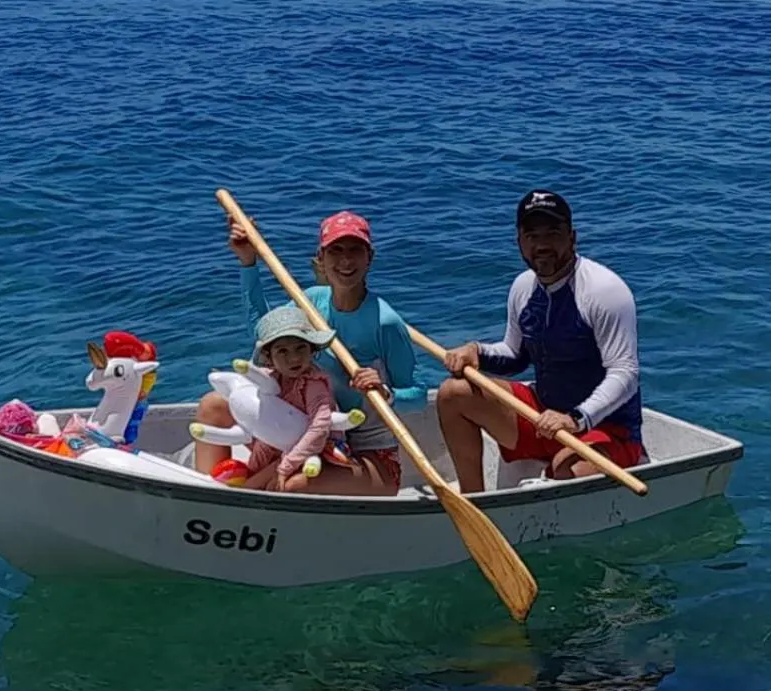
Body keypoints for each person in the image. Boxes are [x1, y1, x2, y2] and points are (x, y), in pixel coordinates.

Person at [191, 208, 425, 496]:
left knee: (295, 484)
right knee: (212, 405)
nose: (346, 260)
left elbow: (418, 395)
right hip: (300, 429)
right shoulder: (313, 300)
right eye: (336, 251)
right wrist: (248, 263)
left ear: (370, 258)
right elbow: (266, 332)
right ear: (322, 258)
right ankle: (206, 496)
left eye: (355, 250)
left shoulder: (385, 323)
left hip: (367, 453)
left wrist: (386, 393)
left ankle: (245, 500)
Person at [435, 189, 644, 493]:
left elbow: (626, 374)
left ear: (572, 238)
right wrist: (476, 351)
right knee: (452, 393)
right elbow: (515, 355)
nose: (542, 244)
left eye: (553, 233)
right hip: (544, 415)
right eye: (531, 235)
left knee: (564, 470)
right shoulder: (522, 288)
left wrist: (576, 420)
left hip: (607, 428)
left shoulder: (604, 291)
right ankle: (474, 501)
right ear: (519, 241)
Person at [239, 304, 344, 492]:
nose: (294, 358)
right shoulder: (272, 378)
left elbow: (319, 429)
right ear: (269, 357)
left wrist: (285, 466)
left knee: (251, 487)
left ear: (312, 350)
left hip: (315, 449)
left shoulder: (313, 385)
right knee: (254, 475)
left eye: (300, 348)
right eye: (282, 351)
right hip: (279, 444)